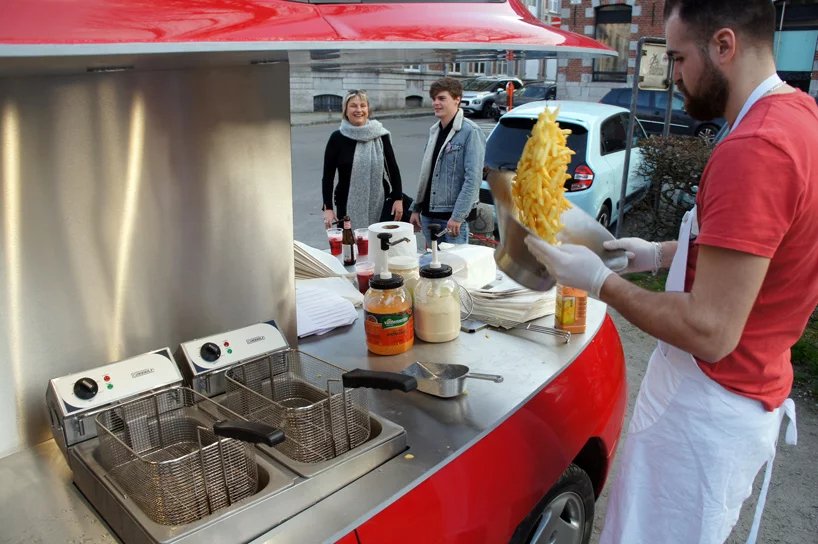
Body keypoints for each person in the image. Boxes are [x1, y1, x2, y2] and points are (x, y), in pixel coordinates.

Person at [525, 1, 818, 542]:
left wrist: (600, 281)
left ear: (724, 46)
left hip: (707, 409)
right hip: (745, 393)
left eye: (679, 58)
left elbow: (710, 330)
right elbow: (754, 255)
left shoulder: (756, 147)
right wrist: (657, 254)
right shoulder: (797, 115)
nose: (673, 75)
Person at [409, 77, 485, 245]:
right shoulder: (435, 131)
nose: (436, 103)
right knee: (431, 267)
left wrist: (457, 217)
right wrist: (417, 208)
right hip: (429, 216)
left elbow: (473, 179)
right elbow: (426, 174)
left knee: (455, 268)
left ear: (457, 100)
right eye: (434, 99)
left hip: (452, 219)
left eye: (442, 98)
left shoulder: (470, 132)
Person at [322, 90, 404, 231]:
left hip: (379, 202)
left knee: (378, 245)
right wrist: (328, 208)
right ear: (345, 110)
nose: (359, 110)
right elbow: (328, 177)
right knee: (351, 246)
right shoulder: (337, 138)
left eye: (363, 105)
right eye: (353, 106)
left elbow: (392, 169)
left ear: (368, 109)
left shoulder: (380, 135)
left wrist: (398, 198)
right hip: (346, 204)